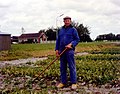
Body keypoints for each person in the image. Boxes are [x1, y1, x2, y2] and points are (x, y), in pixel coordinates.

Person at [55, 16, 80, 89]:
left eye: (68, 20)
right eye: (65, 20)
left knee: (71, 66)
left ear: (70, 21)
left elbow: (77, 39)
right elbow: (58, 40)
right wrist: (56, 50)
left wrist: (71, 44)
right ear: (64, 22)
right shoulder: (61, 30)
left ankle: (74, 83)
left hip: (69, 51)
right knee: (62, 67)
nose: (67, 22)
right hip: (61, 51)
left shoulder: (73, 30)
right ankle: (63, 82)